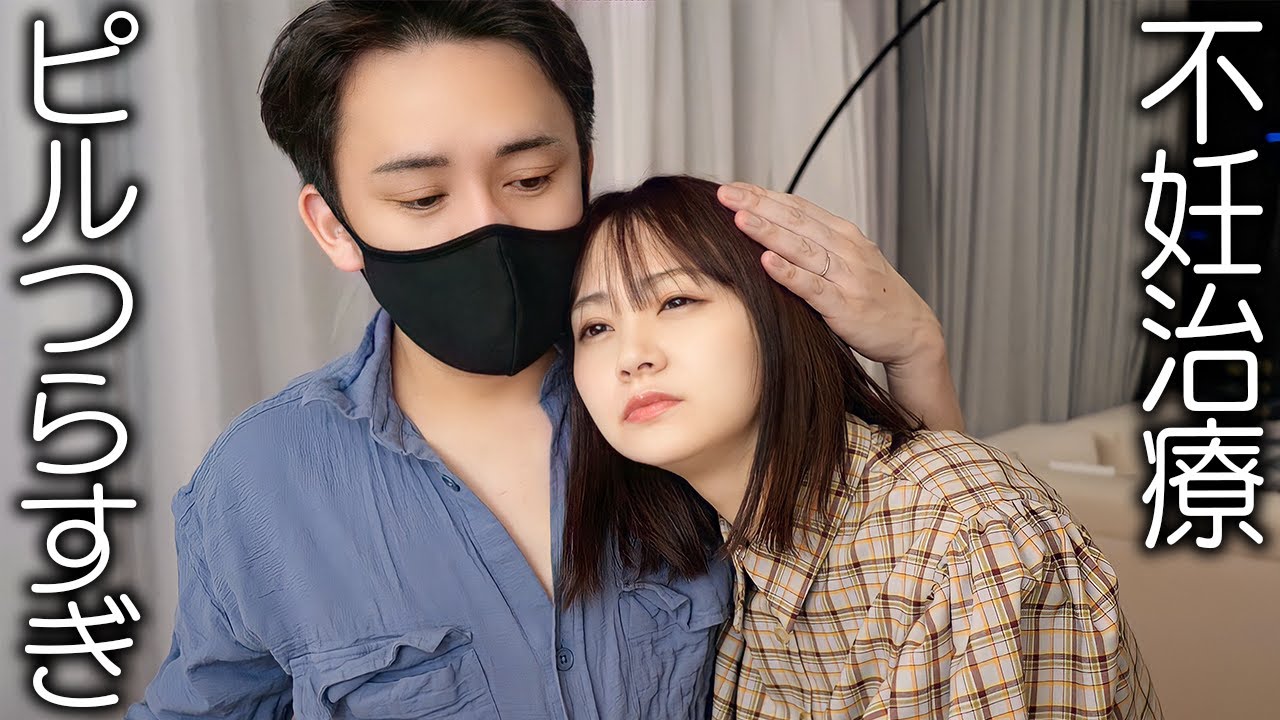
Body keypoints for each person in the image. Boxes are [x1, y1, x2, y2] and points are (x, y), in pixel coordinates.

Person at [127, 2, 965, 719]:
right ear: (333, 225)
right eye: (422, 198)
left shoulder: (684, 401)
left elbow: (907, 580)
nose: (486, 226)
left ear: (584, 170)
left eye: (530, 179)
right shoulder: (260, 484)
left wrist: (915, 350)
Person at [563, 175, 1161, 720]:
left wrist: (918, 348)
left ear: (778, 308)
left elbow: (947, 517)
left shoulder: (969, 540)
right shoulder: (721, 563)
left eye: (675, 301)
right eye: (596, 327)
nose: (631, 356)